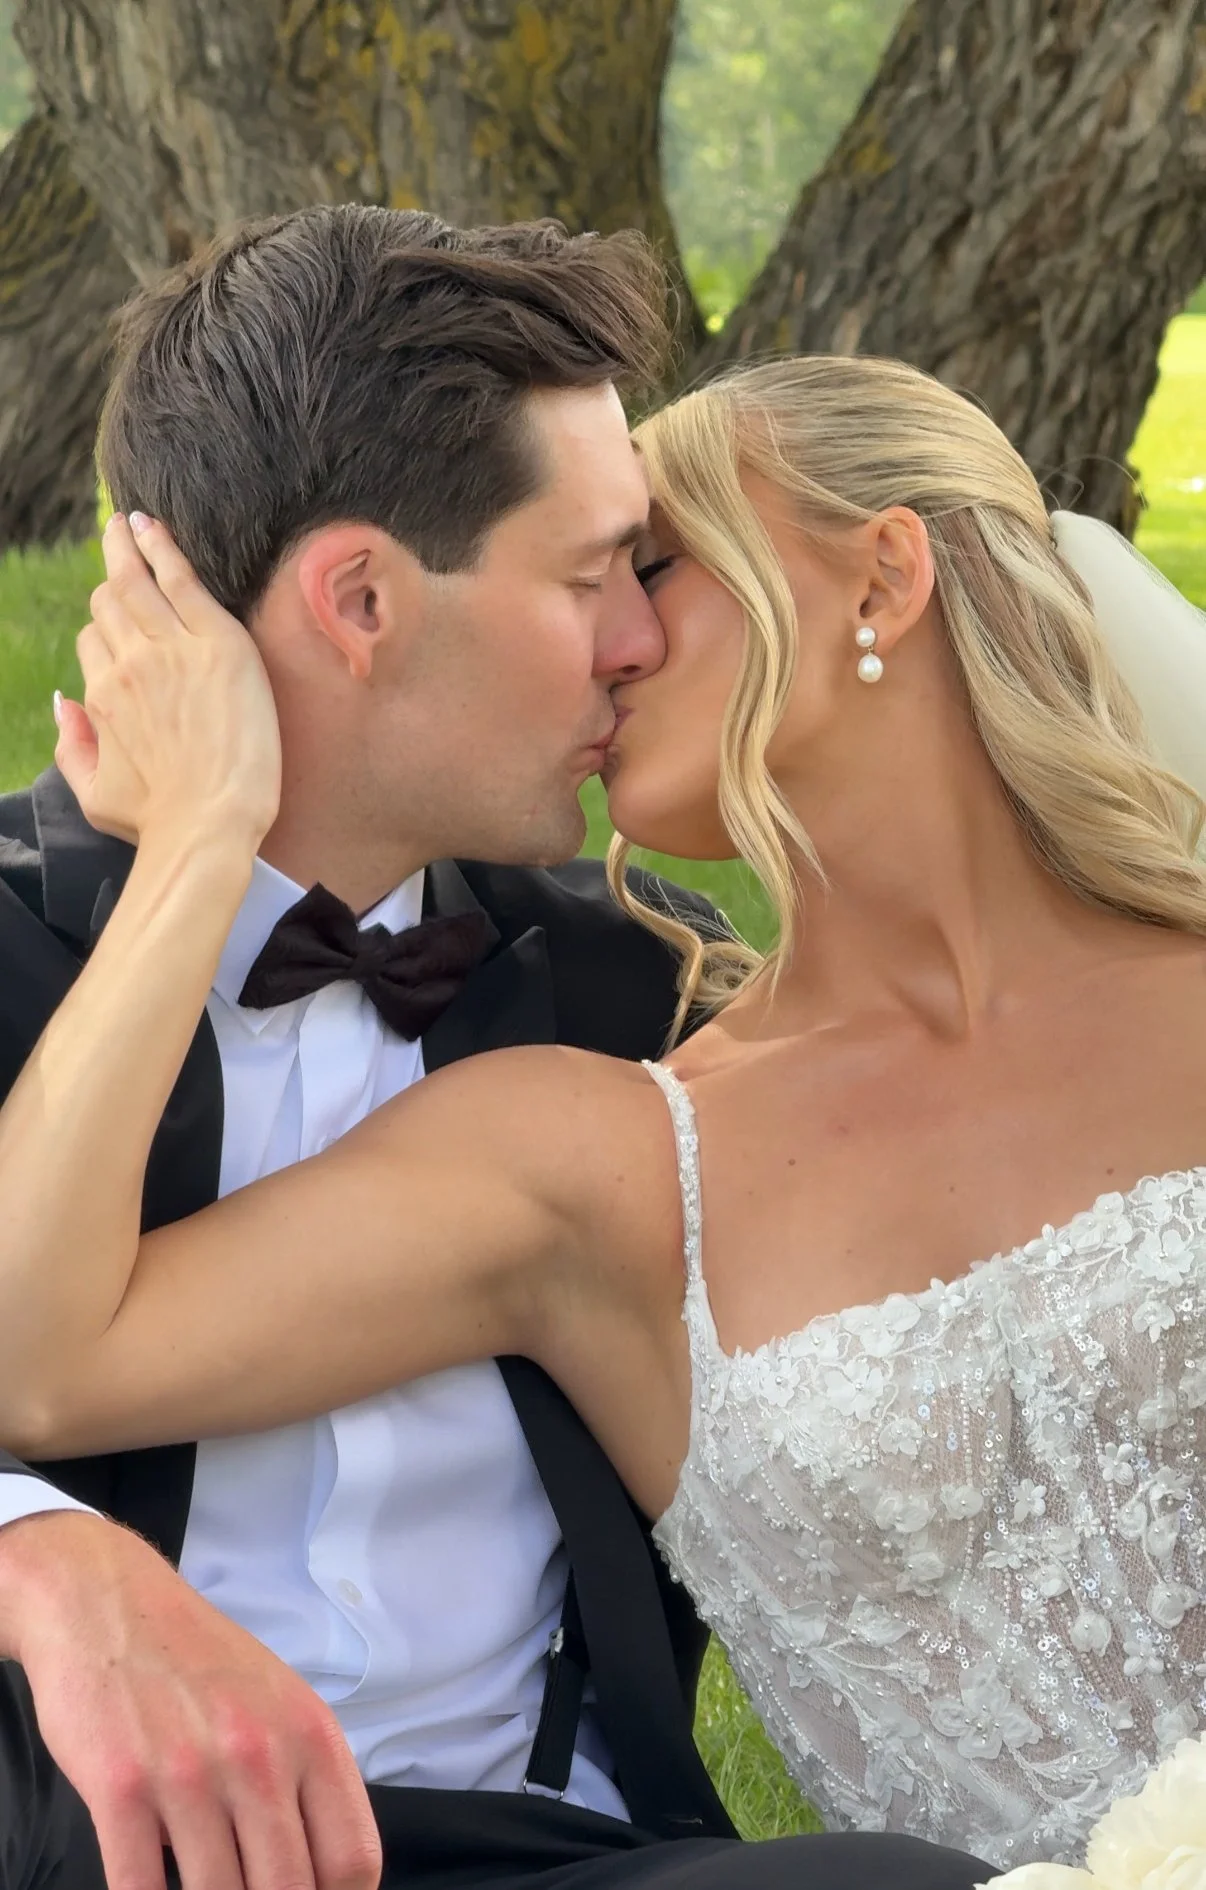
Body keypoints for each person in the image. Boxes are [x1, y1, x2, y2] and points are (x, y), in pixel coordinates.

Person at [3, 339, 1206, 1877]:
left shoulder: (597, 984)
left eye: (656, 563)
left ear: (880, 575)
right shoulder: (605, 1146)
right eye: (594, 577)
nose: (619, 640)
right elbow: (39, 1349)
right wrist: (203, 836)